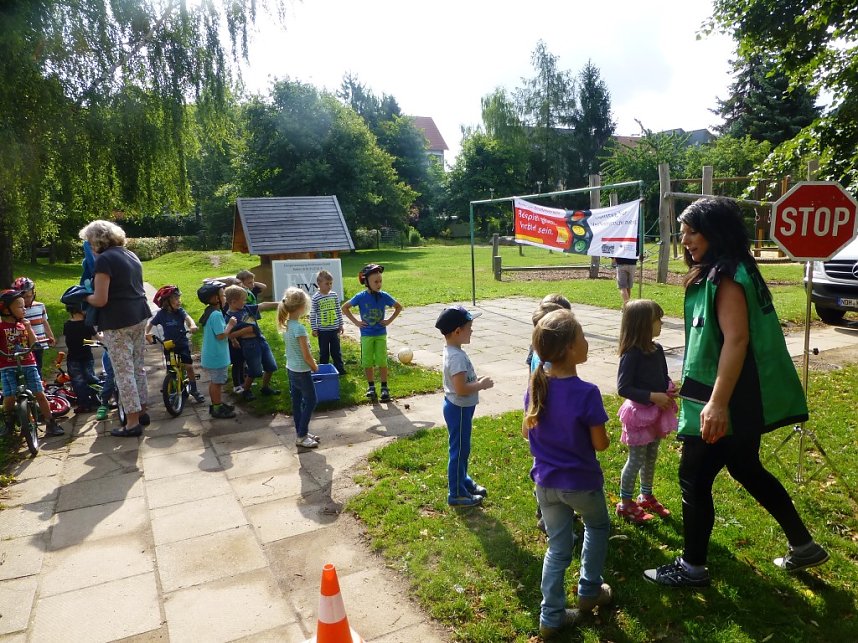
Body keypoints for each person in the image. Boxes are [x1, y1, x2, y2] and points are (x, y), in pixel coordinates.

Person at [644, 197, 829, 588]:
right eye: (683, 231)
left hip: (727, 400)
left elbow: (737, 340)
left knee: (693, 476)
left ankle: (692, 568)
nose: (685, 239)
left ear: (716, 231)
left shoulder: (726, 276)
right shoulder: (733, 268)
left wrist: (717, 403)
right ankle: (804, 545)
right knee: (746, 467)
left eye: (693, 231)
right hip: (737, 399)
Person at [523, 309, 611, 637]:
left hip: (545, 484)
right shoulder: (586, 392)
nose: (587, 342)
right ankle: (589, 592)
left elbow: (527, 431)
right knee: (597, 526)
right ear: (569, 350)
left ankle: (550, 617)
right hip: (582, 484)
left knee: (558, 547)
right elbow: (600, 445)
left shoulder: (536, 387)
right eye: (583, 338)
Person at [80, 220, 151, 438]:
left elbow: (100, 300)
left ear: (98, 240)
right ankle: (141, 411)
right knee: (138, 367)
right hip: (139, 316)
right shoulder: (130, 254)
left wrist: (83, 296)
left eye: (90, 242)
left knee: (123, 372)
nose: (90, 246)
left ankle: (131, 423)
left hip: (118, 321)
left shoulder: (105, 260)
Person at [615, 299, 677, 523]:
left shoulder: (657, 349)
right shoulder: (631, 354)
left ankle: (646, 495)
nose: (661, 323)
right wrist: (652, 396)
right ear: (643, 324)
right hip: (639, 415)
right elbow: (623, 387)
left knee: (651, 456)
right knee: (636, 460)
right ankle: (625, 503)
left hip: (656, 413)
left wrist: (668, 387)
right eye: (657, 320)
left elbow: (662, 375)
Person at [436, 305, 494, 507]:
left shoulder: (454, 351)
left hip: (459, 408)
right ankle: (457, 493)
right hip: (459, 407)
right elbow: (461, 388)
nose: (472, 330)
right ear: (457, 332)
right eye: (470, 326)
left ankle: (464, 480)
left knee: (462, 449)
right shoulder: (456, 357)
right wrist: (481, 385)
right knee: (459, 451)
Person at [0, 289, 64, 436]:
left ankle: (50, 422)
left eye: (24, 306)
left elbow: (34, 343)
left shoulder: (23, 325)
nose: (24, 310)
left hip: (28, 364)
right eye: (20, 307)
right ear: (6, 309)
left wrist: (29, 328)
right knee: (9, 397)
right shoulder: (1, 327)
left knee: (39, 394)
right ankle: (9, 422)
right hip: (7, 367)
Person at [342, 264, 402, 402]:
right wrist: (356, 322)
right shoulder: (361, 297)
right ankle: (371, 387)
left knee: (382, 360)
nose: (379, 284)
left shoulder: (384, 296)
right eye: (376, 281)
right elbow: (345, 308)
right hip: (366, 335)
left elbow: (398, 307)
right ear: (366, 282)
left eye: (380, 281)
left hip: (380, 334)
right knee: (367, 361)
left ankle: (384, 388)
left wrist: (388, 321)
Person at [145, 285, 204, 403]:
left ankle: (194, 389)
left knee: (188, 367)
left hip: (182, 343)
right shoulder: (161, 314)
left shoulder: (180, 312)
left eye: (179, 299)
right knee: (170, 369)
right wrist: (147, 333)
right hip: (169, 345)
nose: (179, 301)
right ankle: (171, 385)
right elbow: (150, 324)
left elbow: (188, 318)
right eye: (176, 299)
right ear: (167, 303)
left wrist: (192, 325)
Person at [278, 287, 321, 449]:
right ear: (302, 307)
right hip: (302, 371)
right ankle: (302, 436)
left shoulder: (288, 325)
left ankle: (301, 432)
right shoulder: (299, 328)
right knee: (311, 401)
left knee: (297, 403)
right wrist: (314, 366)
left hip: (291, 369)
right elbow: (306, 354)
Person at [223, 284, 279, 401]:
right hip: (249, 344)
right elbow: (229, 334)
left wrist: (280, 303)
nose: (245, 302)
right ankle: (246, 390)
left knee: (271, 366)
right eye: (243, 300)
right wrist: (244, 331)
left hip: (261, 340)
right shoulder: (229, 317)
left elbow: (262, 305)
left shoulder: (246, 308)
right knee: (255, 371)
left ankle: (265, 387)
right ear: (233, 302)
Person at [197, 281, 237, 419]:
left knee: (216, 381)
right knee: (217, 382)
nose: (225, 298)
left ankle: (217, 403)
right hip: (216, 356)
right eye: (223, 295)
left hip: (213, 354)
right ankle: (216, 408)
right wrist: (231, 325)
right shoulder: (216, 315)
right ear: (215, 299)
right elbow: (221, 335)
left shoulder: (211, 312)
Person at [62, 302, 100, 413]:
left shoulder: (67, 325)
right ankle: (95, 399)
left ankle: (84, 404)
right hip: (87, 357)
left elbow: (70, 341)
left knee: (78, 382)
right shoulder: (87, 324)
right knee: (91, 378)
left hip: (73, 358)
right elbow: (96, 339)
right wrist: (99, 339)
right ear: (80, 310)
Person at [13, 277, 55, 374]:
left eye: (29, 296)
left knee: (38, 367)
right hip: (24, 345)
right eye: (24, 297)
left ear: (33, 294)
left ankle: (39, 384)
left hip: (39, 343)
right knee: (25, 369)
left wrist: (50, 335)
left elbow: (44, 321)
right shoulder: (17, 310)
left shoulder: (40, 306)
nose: (27, 299)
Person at [310, 269, 345, 375]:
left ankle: (340, 368)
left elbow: (338, 310)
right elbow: (313, 314)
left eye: (331, 283)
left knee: (336, 351)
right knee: (324, 352)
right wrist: (314, 328)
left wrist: (341, 324)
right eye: (327, 283)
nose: (329, 286)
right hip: (323, 331)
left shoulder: (334, 295)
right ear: (319, 284)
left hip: (334, 329)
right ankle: (323, 369)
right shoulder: (316, 298)